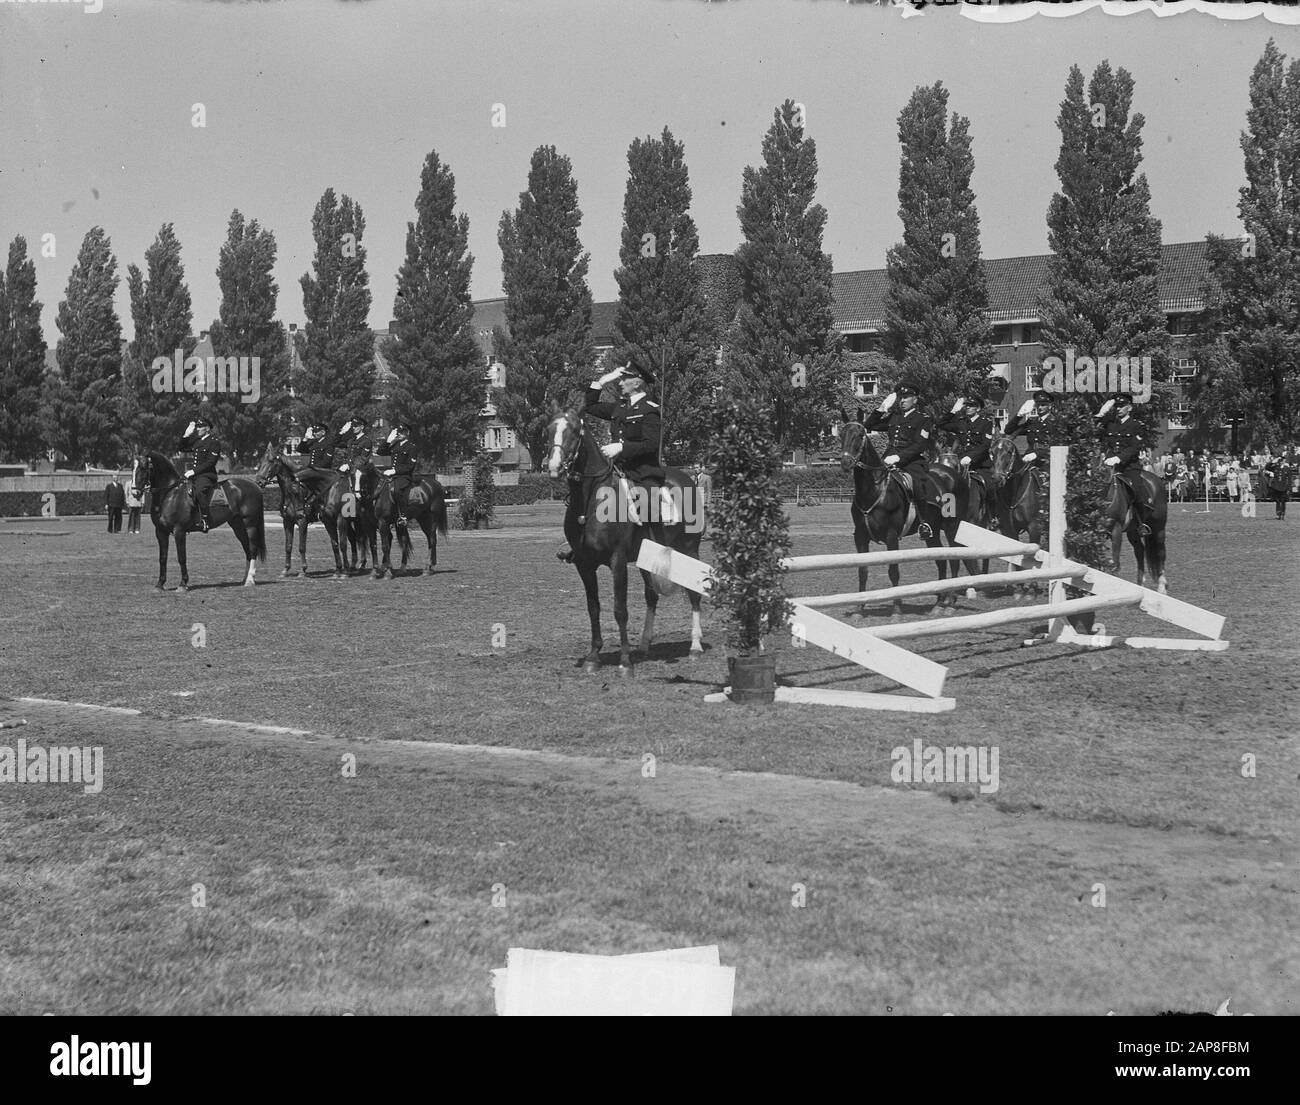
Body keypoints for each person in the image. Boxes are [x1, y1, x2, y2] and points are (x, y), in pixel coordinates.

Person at [584, 361, 666, 514]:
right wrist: (602, 381)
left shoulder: (649, 409)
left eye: (623, 379)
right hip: (616, 470)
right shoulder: (619, 407)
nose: (620, 383)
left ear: (636, 383)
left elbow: (651, 444)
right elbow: (590, 406)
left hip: (642, 473)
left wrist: (621, 447)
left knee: (648, 513)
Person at [861, 382, 938, 538]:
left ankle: (924, 523)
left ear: (915, 400)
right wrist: (882, 408)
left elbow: (920, 445)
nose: (902, 401)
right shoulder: (894, 417)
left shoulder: (923, 418)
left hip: (912, 461)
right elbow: (868, 425)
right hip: (888, 459)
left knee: (916, 485)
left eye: (906, 397)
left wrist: (899, 457)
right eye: (900, 397)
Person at [1095, 395, 1154, 535]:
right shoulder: (1110, 424)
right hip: (1109, 466)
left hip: (1129, 466)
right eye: (1117, 406)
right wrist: (1100, 414)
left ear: (1130, 408)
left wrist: (1119, 458)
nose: (1119, 409)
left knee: (1138, 489)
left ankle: (1142, 523)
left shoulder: (1136, 425)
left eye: (1122, 406)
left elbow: (1134, 447)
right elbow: (1092, 429)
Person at [937, 391, 995, 479]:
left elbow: (985, 445)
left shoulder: (985, 423)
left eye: (971, 405)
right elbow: (940, 424)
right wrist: (953, 411)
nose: (967, 407)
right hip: (961, 462)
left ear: (978, 408)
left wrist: (970, 457)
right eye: (966, 405)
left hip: (980, 464)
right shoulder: (961, 422)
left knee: (989, 486)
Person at [180, 416, 223, 533]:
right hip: (194, 476)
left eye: (200, 427)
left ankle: (205, 520)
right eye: (197, 427)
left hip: (207, 476)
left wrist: (193, 471)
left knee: (199, 491)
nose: (197, 429)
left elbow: (210, 462)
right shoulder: (197, 441)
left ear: (207, 428)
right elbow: (182, 448)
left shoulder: (214, 442)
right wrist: (186, 435)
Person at [375, 422, 419, 527]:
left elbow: (410, 467)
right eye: (398, 432)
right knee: (378, 488)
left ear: (407, 433)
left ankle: (403, 515)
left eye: (402, 432)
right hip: (391, 476)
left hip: (404, 476)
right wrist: (388, 441)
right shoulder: (394, 444)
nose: (399, 434)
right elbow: (380, 452)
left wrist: (395, 471)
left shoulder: (411, 447)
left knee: (396, 489)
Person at [294, 422, 342, 515]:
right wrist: (305, 439)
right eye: (314, 432)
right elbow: (300, 449)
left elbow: (326, 461)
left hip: (323, 472)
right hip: (312, 471)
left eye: (317, 432)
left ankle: (312, 506)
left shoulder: (328, 443)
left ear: (323, 432)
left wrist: (314, 469)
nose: (315, 434)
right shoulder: (313, 442)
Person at [1263, 451, 1293, 520]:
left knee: (1283, 501)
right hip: (1276, 487)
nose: (1282, 462)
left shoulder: (1287, 469)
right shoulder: (1275, 467)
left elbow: (1290, 479)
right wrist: (1273, 461)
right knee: (1278, 501)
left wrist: (1288, 488)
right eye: (1281, 460)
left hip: (1284, 487)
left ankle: (1282, 514)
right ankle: (1279, 513)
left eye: (1283, 461)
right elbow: (1267, 467)